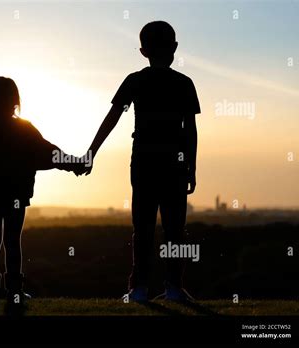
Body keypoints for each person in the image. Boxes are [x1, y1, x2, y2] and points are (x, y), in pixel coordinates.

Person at [77, 21, 200, 302]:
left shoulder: (135, 80)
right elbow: (190, 130)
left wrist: (92, 152)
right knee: (174, 228)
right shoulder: (184, 83)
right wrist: (192, 166)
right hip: (175, 162)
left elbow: (113, 118)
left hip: (144, 160)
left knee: (142, 226)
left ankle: (139, 288)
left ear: (143, 51)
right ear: (175, 48)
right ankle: (173, 286)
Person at [0, 76, 82, 312]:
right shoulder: (23, 129)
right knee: (12, 241)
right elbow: (48, 152)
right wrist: (74, 164)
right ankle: (14, 291)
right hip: (15, 195)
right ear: (14, 100)